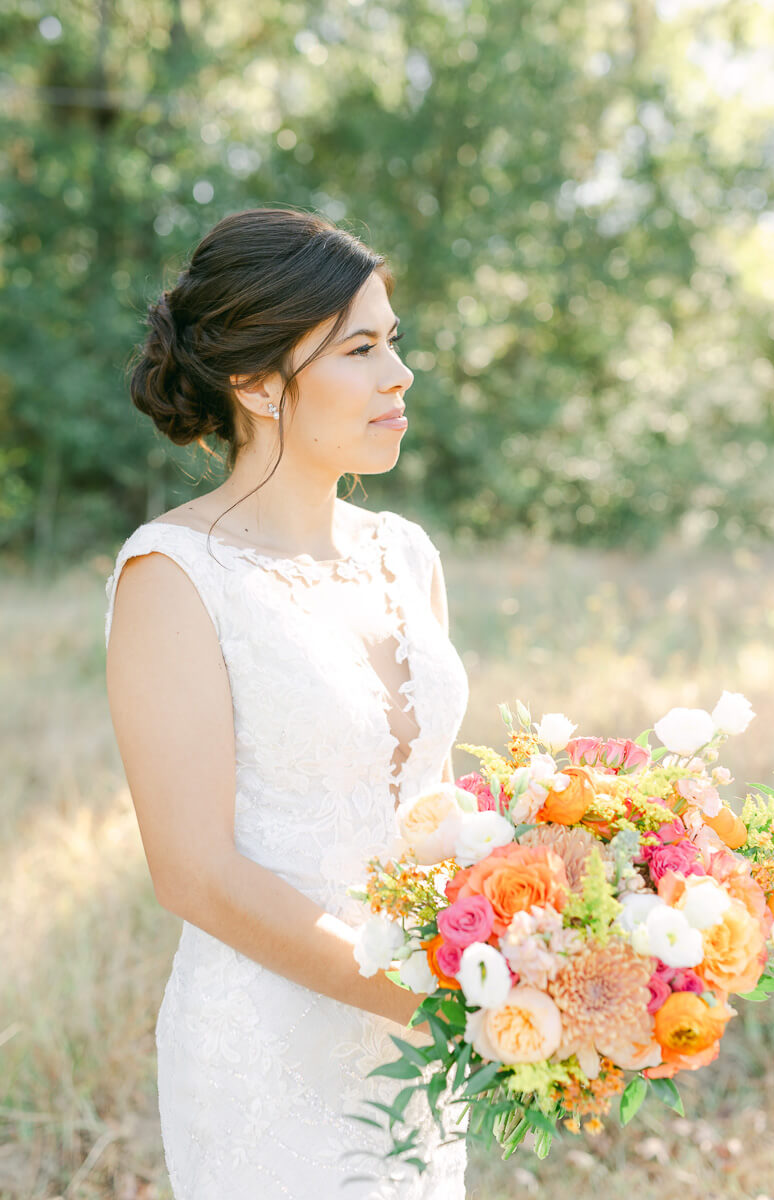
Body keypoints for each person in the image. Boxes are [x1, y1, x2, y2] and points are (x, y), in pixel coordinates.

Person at [103, 207, 470, 1198]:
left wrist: (543, 923)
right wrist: (429, 1000)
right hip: (267, 1047)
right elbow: (195, 873)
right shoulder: (175, 576)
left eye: (391, 341)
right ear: (256, 381)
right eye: (358, 348)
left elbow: (425, 800)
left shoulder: (405, 554)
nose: (397, 375)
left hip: (424, 1050)